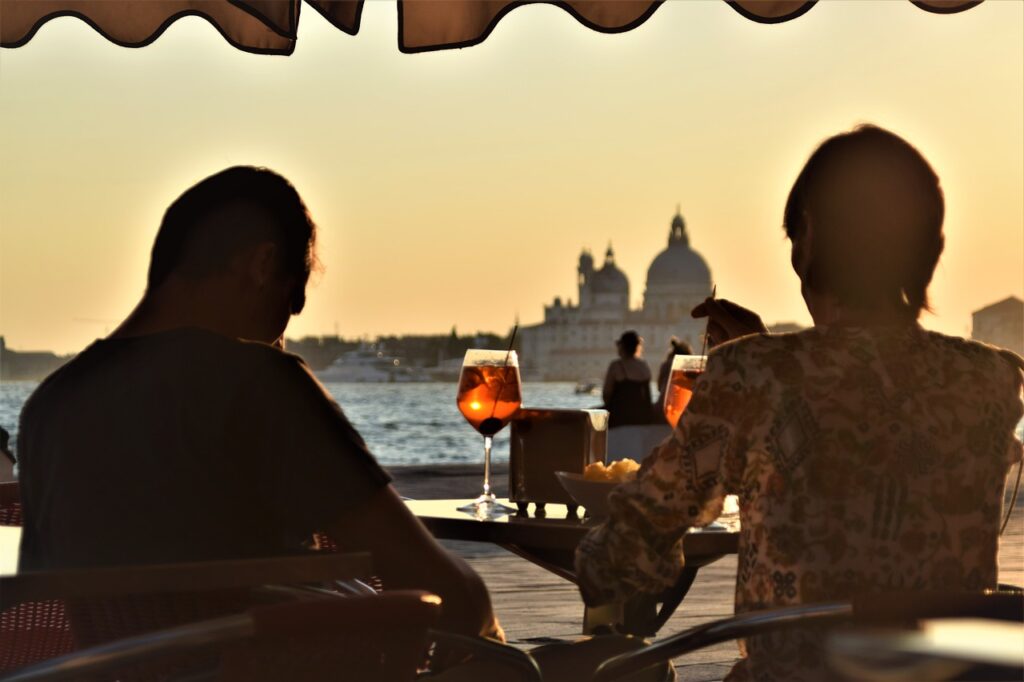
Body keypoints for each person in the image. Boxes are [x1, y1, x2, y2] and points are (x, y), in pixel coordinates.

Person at [576, 125, 1024, 680]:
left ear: (807, 236)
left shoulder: (755, 374)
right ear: (931, 250)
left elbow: (626, 551)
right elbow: (880, 404)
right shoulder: (991, 380)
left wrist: (751, 367)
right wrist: (765, 357)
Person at [16, 166, 501, 642]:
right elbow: (446, 595)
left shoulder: (48, 406)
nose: (282, 336)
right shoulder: (257, 384)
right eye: (292, 302)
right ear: (262, 266)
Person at [602, 330, 653, 428]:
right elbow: (647, 398)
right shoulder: (644, 365)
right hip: (642, 417)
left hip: (620, 417)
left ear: (622, 347)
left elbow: (606, 395)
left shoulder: (616, 366)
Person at [654, 337, 693, 421]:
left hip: (662, 408)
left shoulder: (666, 364)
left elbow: (659, 388)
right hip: (683, 410)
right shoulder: (690, 365)